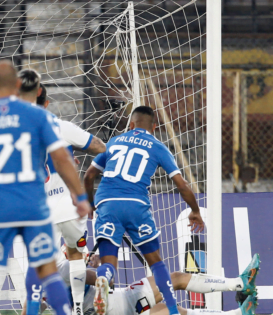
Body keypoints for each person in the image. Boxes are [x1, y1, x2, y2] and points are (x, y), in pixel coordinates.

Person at [0, 60, 91, 315]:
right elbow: (62, 159)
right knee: (47, 271)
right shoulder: (39, 116)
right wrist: (81, 196)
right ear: (17, 85)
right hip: (33, 207)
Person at [83, 106, 206, 315]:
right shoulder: (158, 146)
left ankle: (104, 277)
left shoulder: (113, 142)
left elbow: (88, 175)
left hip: (108, 202)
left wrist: (90, 204)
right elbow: (181, 184)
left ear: (130, 125)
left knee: (108, 262)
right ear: (155, 127)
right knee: (156, 263)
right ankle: (173, 310)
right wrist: (195, 210)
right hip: (136, 204)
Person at [16, 69, 107, 315]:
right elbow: (100, 147)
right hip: (70, 206)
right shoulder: (61, 126)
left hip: (39, 209)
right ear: (46, 102)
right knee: (76, 253)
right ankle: (78, 307)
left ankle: (33, 309)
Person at [38, 253, 260, 315]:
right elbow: (107, 282)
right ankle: (239, 284)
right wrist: (98, 266)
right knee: (176, 279)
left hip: (119, 305)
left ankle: (238, 313)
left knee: (178, 312)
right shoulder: (67, 268)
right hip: (123, 302)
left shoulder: (39, 287)